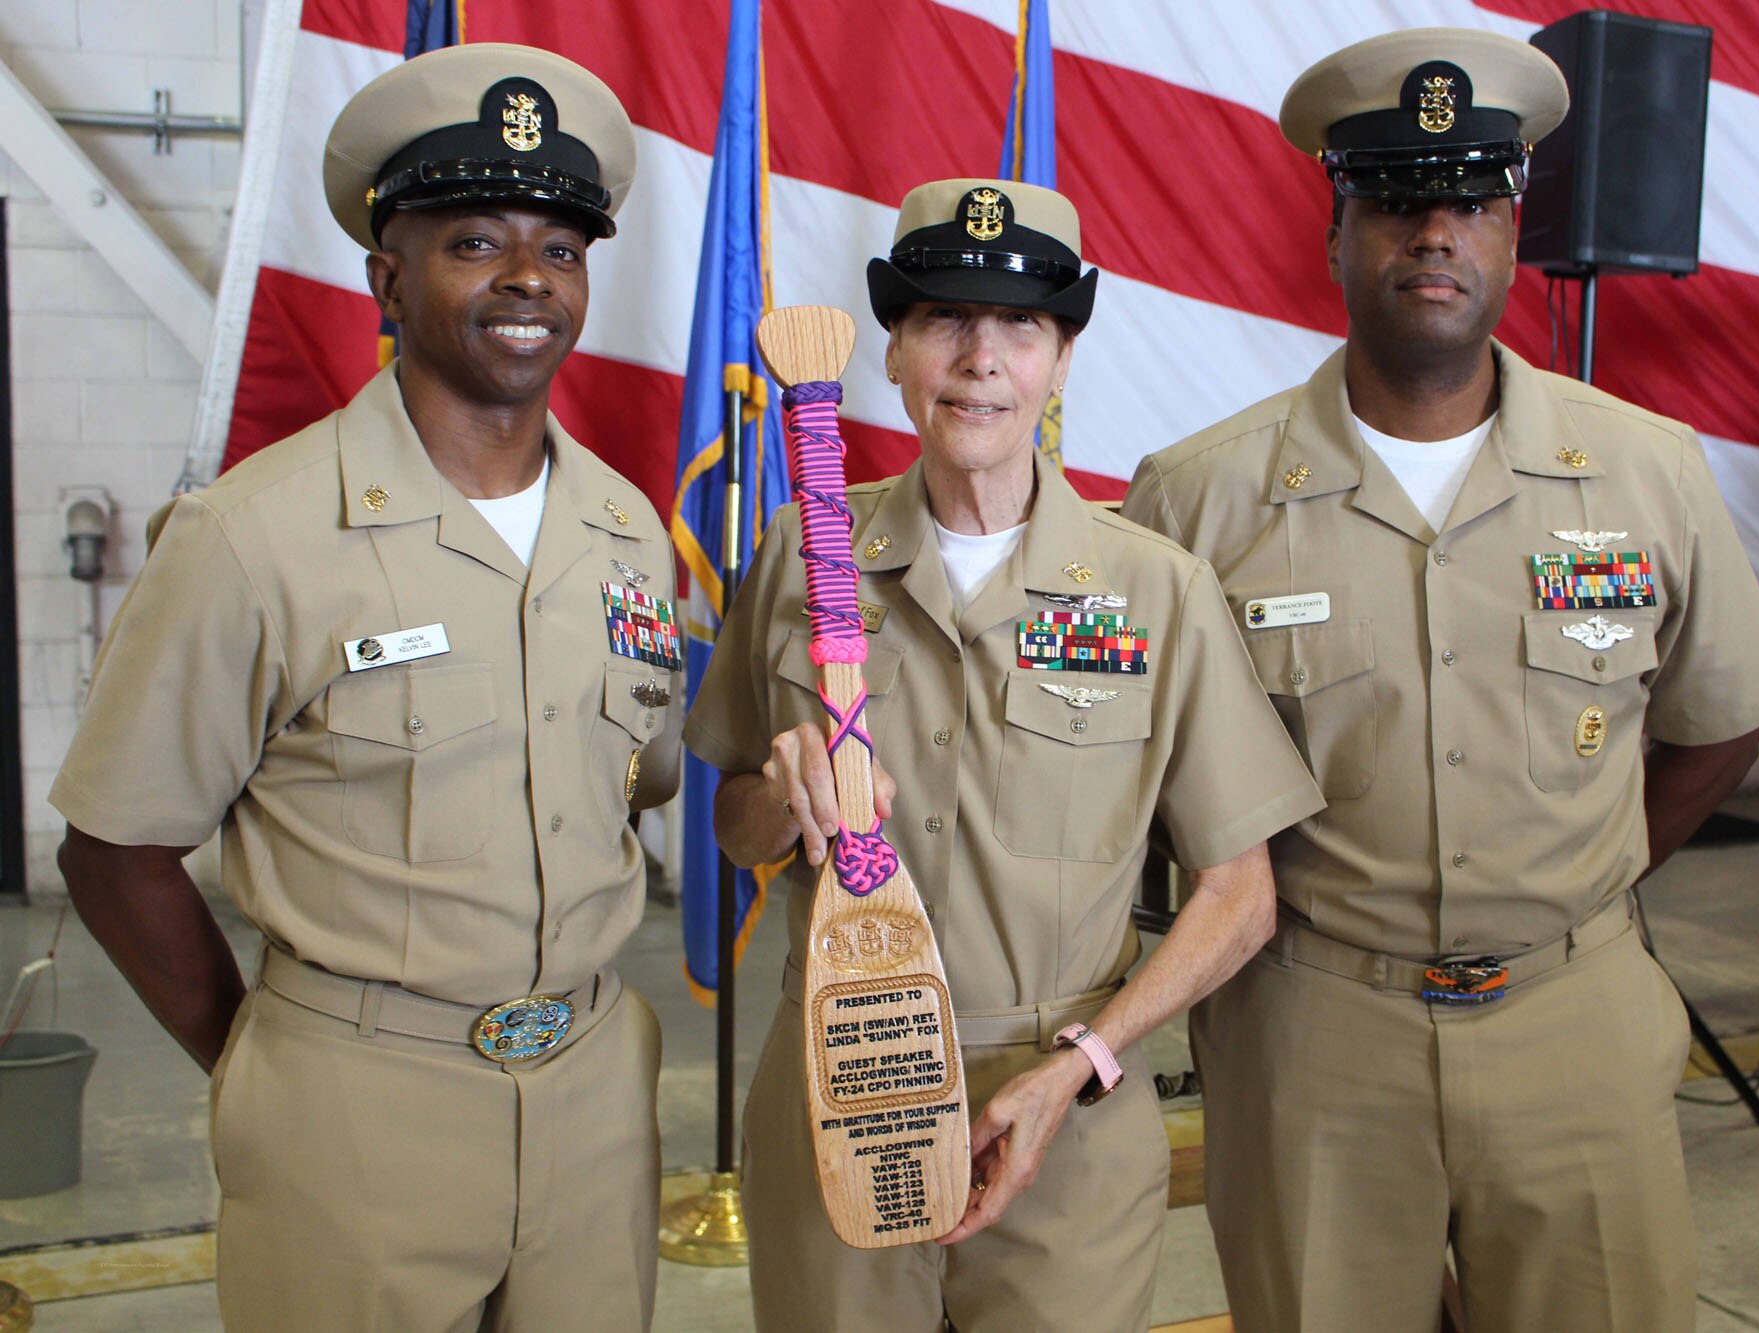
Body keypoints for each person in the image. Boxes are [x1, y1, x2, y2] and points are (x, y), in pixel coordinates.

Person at [1120, 28, 1759, 1333]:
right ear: (1335, 235)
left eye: (1473, 201)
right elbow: (1141, 784)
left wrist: (1582, 885)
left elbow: (1721, 730)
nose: (1436, 232)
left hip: (1575, 1020)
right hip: (1314, 1031)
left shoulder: (1647, 469)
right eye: (1394, 200)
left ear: (1510, 234)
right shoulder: (1197, 497)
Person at [50, 44, 680, 1332]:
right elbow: (115, 848)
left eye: (559, 249)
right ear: (385, 273)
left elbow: (632, 786)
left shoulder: (623, 529)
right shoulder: (252, 533)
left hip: (594, 1096)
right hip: (356, 1109)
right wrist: (264, 1060)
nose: (525, 280)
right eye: (473, 241)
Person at [685, 177, 1323, 1331]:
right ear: (892, 351)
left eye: (1019, 324)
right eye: (942, 317)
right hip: (841, 1085)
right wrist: (777, 803)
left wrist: (1083, 1060)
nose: (980, 357)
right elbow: (731, 822)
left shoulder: (1154, 591)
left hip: (1062, 1107)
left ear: (1061, 360)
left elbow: (1240, 894)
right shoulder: (802, 558)